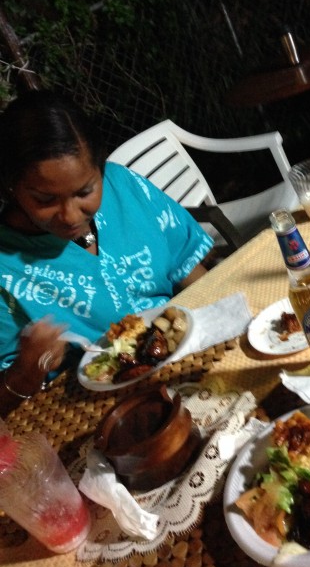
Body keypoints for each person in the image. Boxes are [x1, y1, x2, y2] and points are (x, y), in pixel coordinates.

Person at [0, 89, 214, 416]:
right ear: (12, 187)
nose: (70, 216)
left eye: (85, 191)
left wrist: (220, 319)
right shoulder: (5, 266)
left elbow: (188, 268)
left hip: (195, 352)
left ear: (100, 169)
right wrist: (29, 369)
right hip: (111, 408)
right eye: (45, 200)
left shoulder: (123, 186)